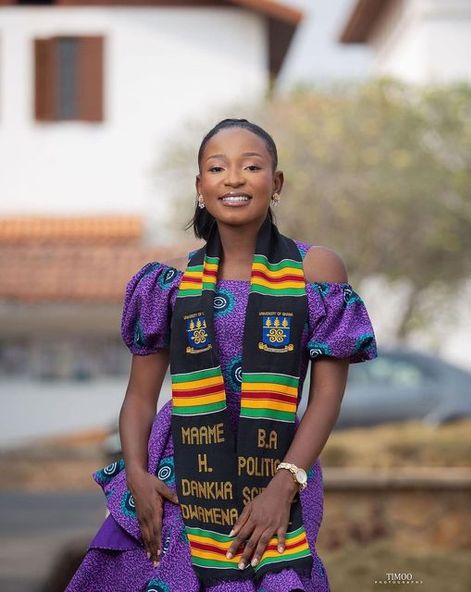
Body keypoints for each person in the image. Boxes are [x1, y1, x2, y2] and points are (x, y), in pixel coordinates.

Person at [66, 118, 378, 592]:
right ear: (200, 186)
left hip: (277, 466)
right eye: (217, 167)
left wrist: (283, 486)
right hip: (177, 472)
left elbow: (325, 399)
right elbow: (139, 398)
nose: (233, 178)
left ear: (275, 184)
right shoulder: (167, 282)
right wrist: (136, 474)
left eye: (251, 166)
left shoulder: (315, 270)